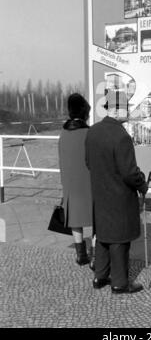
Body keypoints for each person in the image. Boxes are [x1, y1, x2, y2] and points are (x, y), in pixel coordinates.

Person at [85, 90, 148, 294]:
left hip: (99, 193)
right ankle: (120, 283)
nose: (129, 112)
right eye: (127, 108)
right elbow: (130, 173)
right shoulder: (121, 136)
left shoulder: (93, 131)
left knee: (103, 235)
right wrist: (142, 184)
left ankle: (100, 277)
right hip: (119, 196)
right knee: (120, 239)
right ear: (117, 110)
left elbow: (88, 163)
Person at [58, 93, 96, 268]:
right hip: (89, 183)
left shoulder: (62, 134)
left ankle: (81, 255)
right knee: (96, 219)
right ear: (84, 112)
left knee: (74, 218)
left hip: (70, 183)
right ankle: (95, 256)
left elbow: (62, 160)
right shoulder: (90, 133)